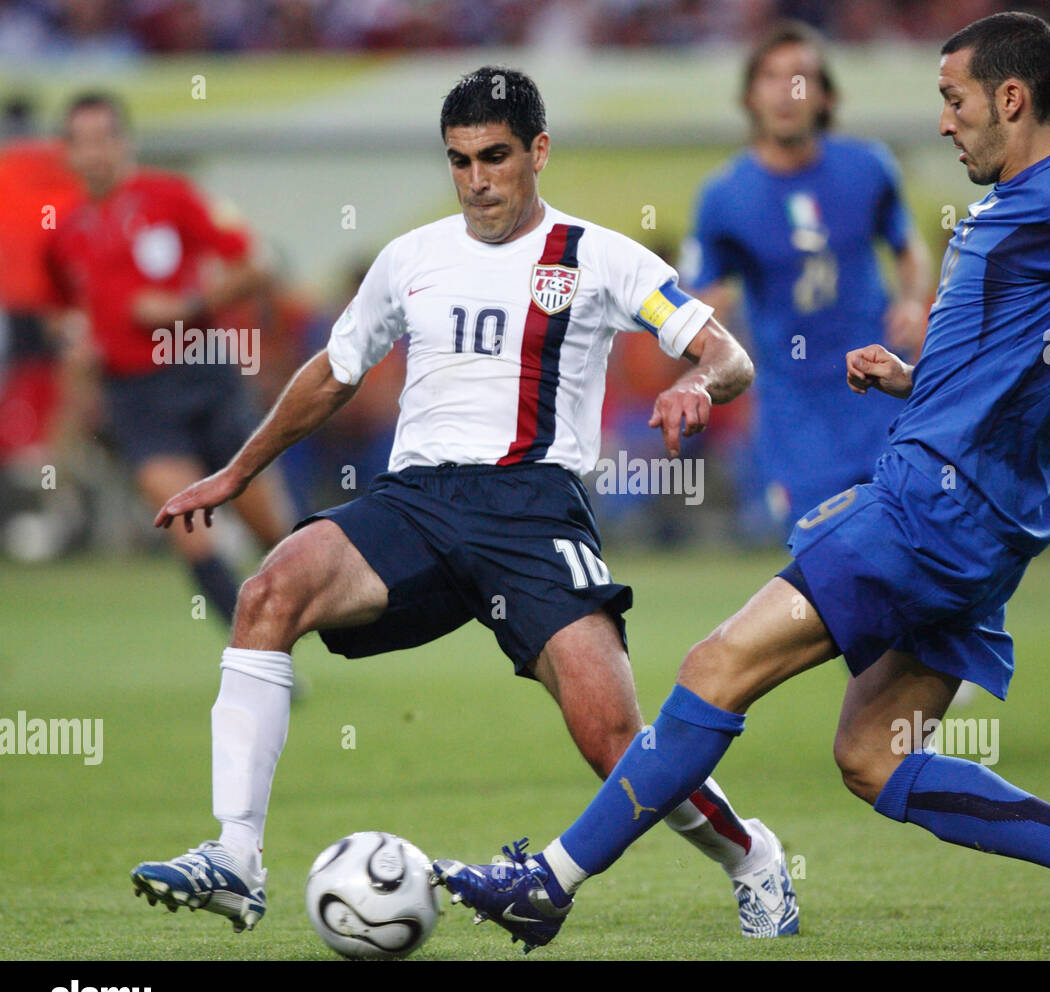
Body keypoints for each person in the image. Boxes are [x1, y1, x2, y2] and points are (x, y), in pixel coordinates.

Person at [432, 13, 1050, 960]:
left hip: (930, 508)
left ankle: (547, 883)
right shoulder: (1023, 203)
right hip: (976, 519)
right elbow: (1010, 355)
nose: (944, 121)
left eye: (955, 99)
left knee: (711, 669)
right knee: (874, 758)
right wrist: (912, 379)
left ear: (1012, 99)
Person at [129, 67, 799, 940]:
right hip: (415, 502)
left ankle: (753, 858)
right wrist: (237, 472)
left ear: (538, 152)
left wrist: (699, 387)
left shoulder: (598, 255)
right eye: (459, 161)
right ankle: (237, 856)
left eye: (495, 157)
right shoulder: (411, 258)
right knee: (266, 593)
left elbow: (728, 354)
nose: (478, 180)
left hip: (534, 510)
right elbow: (335, 372)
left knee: (616, 742)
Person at [46, 92, 293, 623]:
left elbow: (257, 264)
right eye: (79, 141)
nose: (93, 153)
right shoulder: (65, 234)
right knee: (187, 524)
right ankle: (254, 651)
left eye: (103, 138)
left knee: (269, 527)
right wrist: (79, 346)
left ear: (124, 142)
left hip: (200, 368)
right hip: (135, 395)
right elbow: (64, 315)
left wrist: (187, 306)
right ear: (66, 152)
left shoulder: (170, 196)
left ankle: (329, 612)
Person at [680, 20, 932, 534]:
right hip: (793, 414)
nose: (786, 92)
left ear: (825, 95)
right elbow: (702, 301)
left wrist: (912, 301)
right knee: (827, 557)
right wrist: (705, 343)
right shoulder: (725, 196)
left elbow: (910, 251)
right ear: (750, 95)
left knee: (915, 547)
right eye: (771, 77)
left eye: (801, 77)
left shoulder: (868, 167)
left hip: (881, 392)